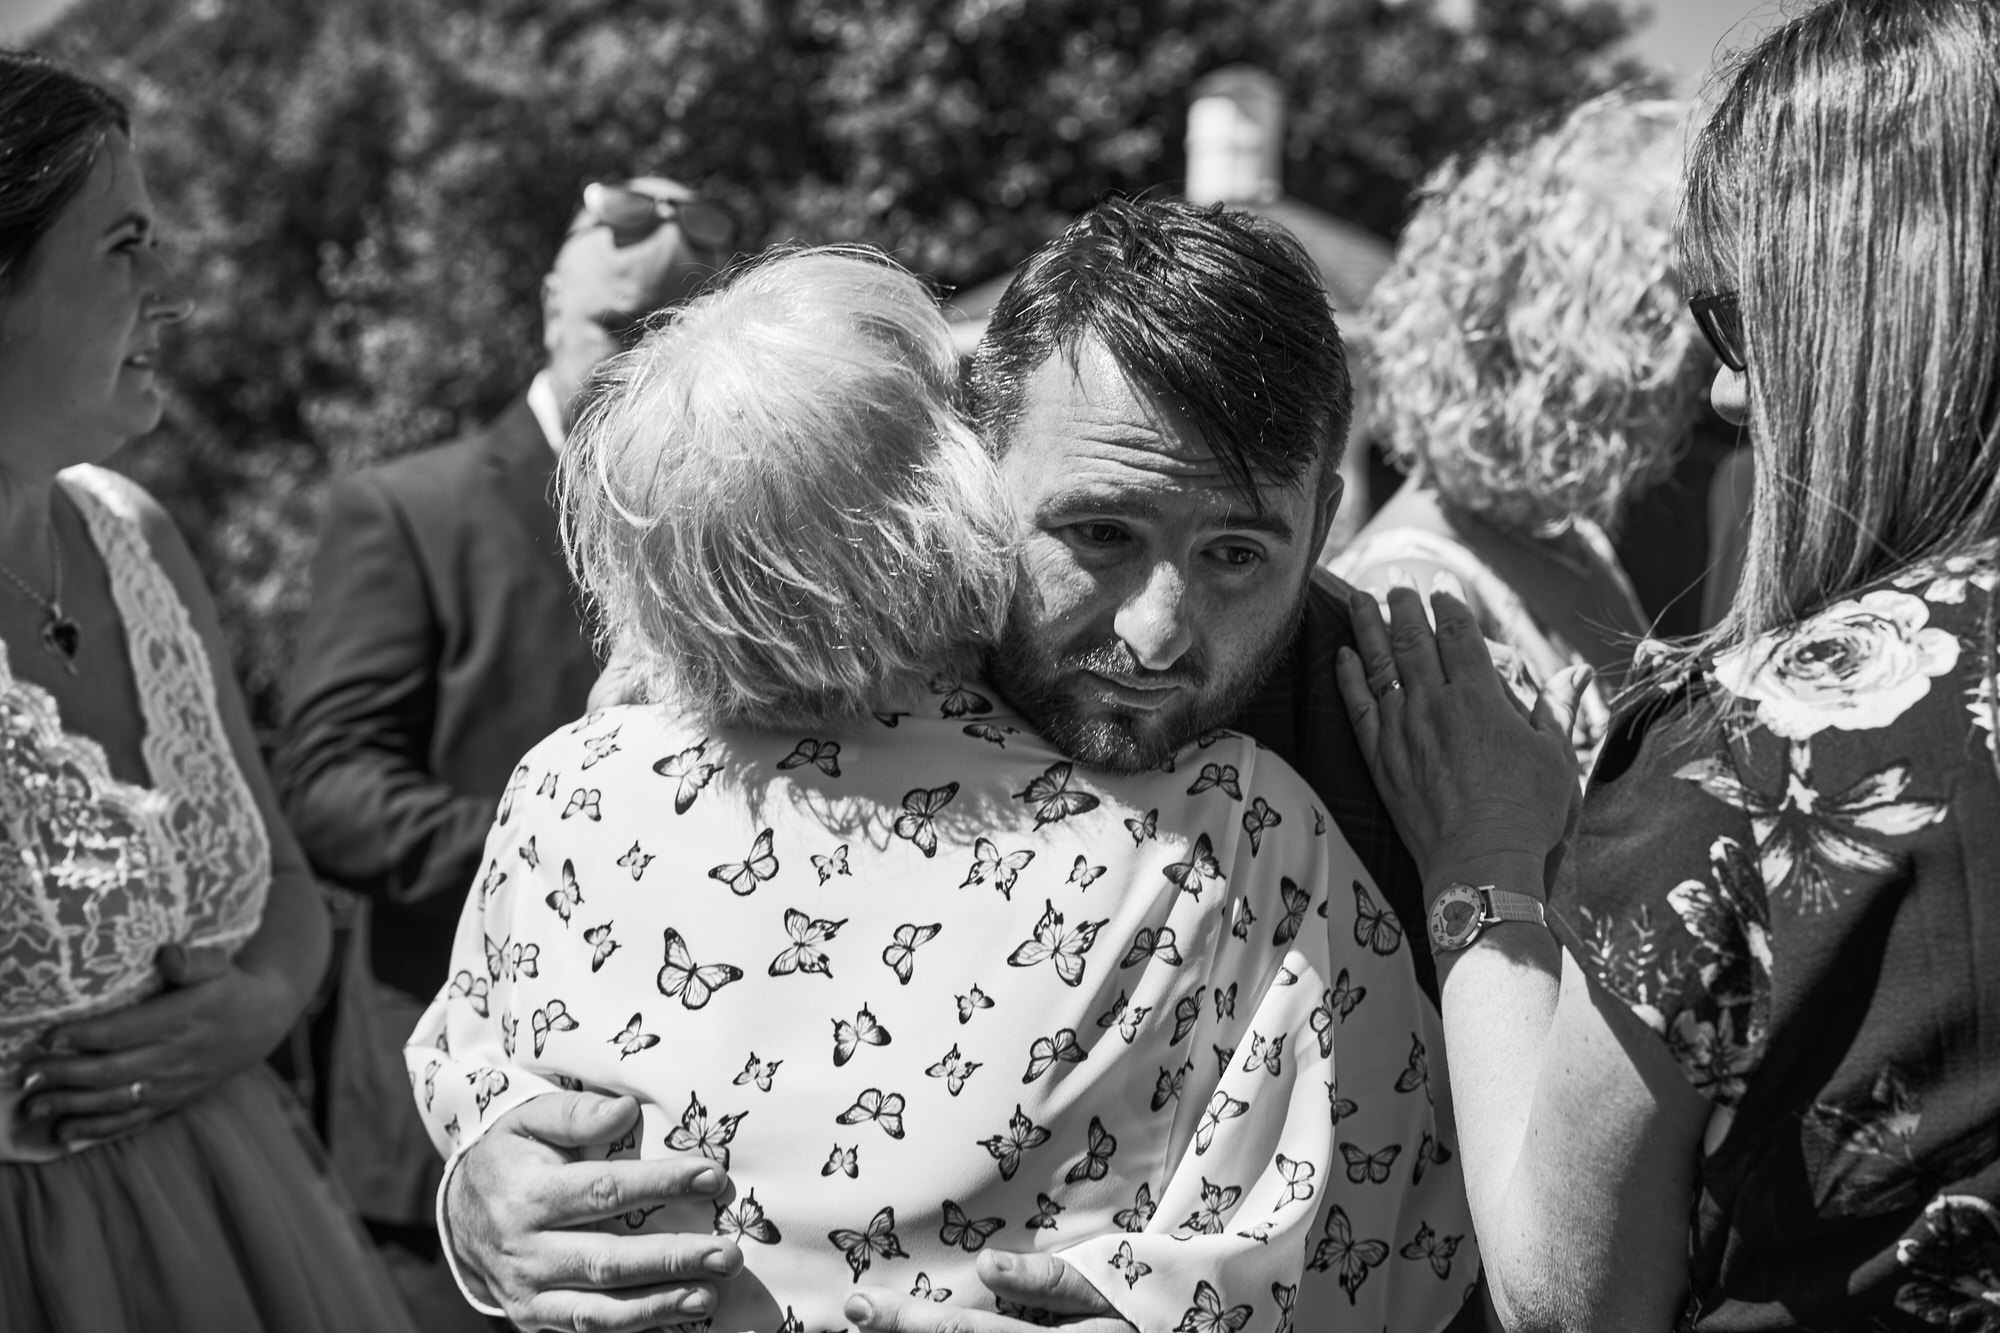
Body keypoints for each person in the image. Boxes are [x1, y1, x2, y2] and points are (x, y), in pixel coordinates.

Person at [431, 197, 1484, 1333]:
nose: (1156, 633)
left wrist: (1501, 876)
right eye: (1098, 534)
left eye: (1234, 554)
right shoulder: (633, 743)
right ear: (972, 463)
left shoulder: (1395, 751)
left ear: (1321, 522)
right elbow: (494, 1077)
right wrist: (480, 1202)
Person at [1332, 0, 2000, 1327]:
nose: (1718, 398)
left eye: (1730, 319)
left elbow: (1573, 1290)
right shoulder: (1428, 595)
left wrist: (1488, 866)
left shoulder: (1753, 732)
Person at [0, 48, 417, 1331]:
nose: (170, 293)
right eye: (127, 245)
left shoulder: (135, 534)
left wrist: (245, 1009)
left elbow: (284, 884)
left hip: (234, 1212)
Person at [272, 171, 733, 1302]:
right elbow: (328, 786)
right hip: (448, 1133)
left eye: (676, 335)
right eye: (619, 328)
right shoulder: (409, 509)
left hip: (689, 1136)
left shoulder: (739, 525)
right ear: (544, 309)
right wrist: (570, 855)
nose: (644, 366)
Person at [1328, 90, 1711, 771]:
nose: (1700, 390)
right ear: (1568, 370)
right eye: (1671, 354)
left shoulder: (1568, 535)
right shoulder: (1413, 593)